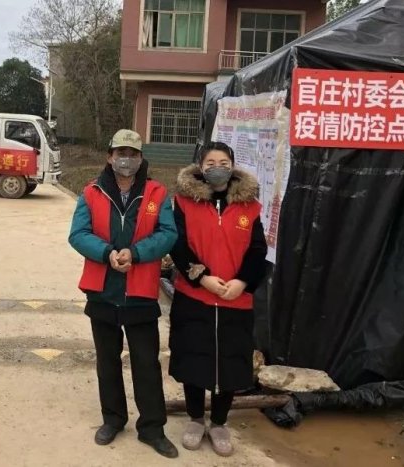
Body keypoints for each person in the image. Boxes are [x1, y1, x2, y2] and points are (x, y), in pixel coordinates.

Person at [68, 129, 179, 458]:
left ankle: (152, 428)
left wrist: (136, 253)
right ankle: (113, 419)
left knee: (146, 363)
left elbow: (168, 233)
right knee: (107, 361)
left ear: (141, 158)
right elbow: (78, 234)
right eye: (121, 153)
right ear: (110, 156)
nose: (126, 159)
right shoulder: (91, 192)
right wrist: (107, 253)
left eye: (133, 154)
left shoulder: (158, 193)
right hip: (102, 290)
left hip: (140, 291)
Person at [169, 141, 267, 457]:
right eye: (210, 163)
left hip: (235, 299)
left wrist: (242, 282)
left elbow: (258, 250)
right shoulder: (184, 201)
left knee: (230, 363)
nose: (217, 168)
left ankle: (220, 423)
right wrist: (202, 277)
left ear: (233, 166)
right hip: (195, 296)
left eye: (223, 162)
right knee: (193, 357)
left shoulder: (249, 206)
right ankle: (196, 419)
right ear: (200, 167)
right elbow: (177, 244)